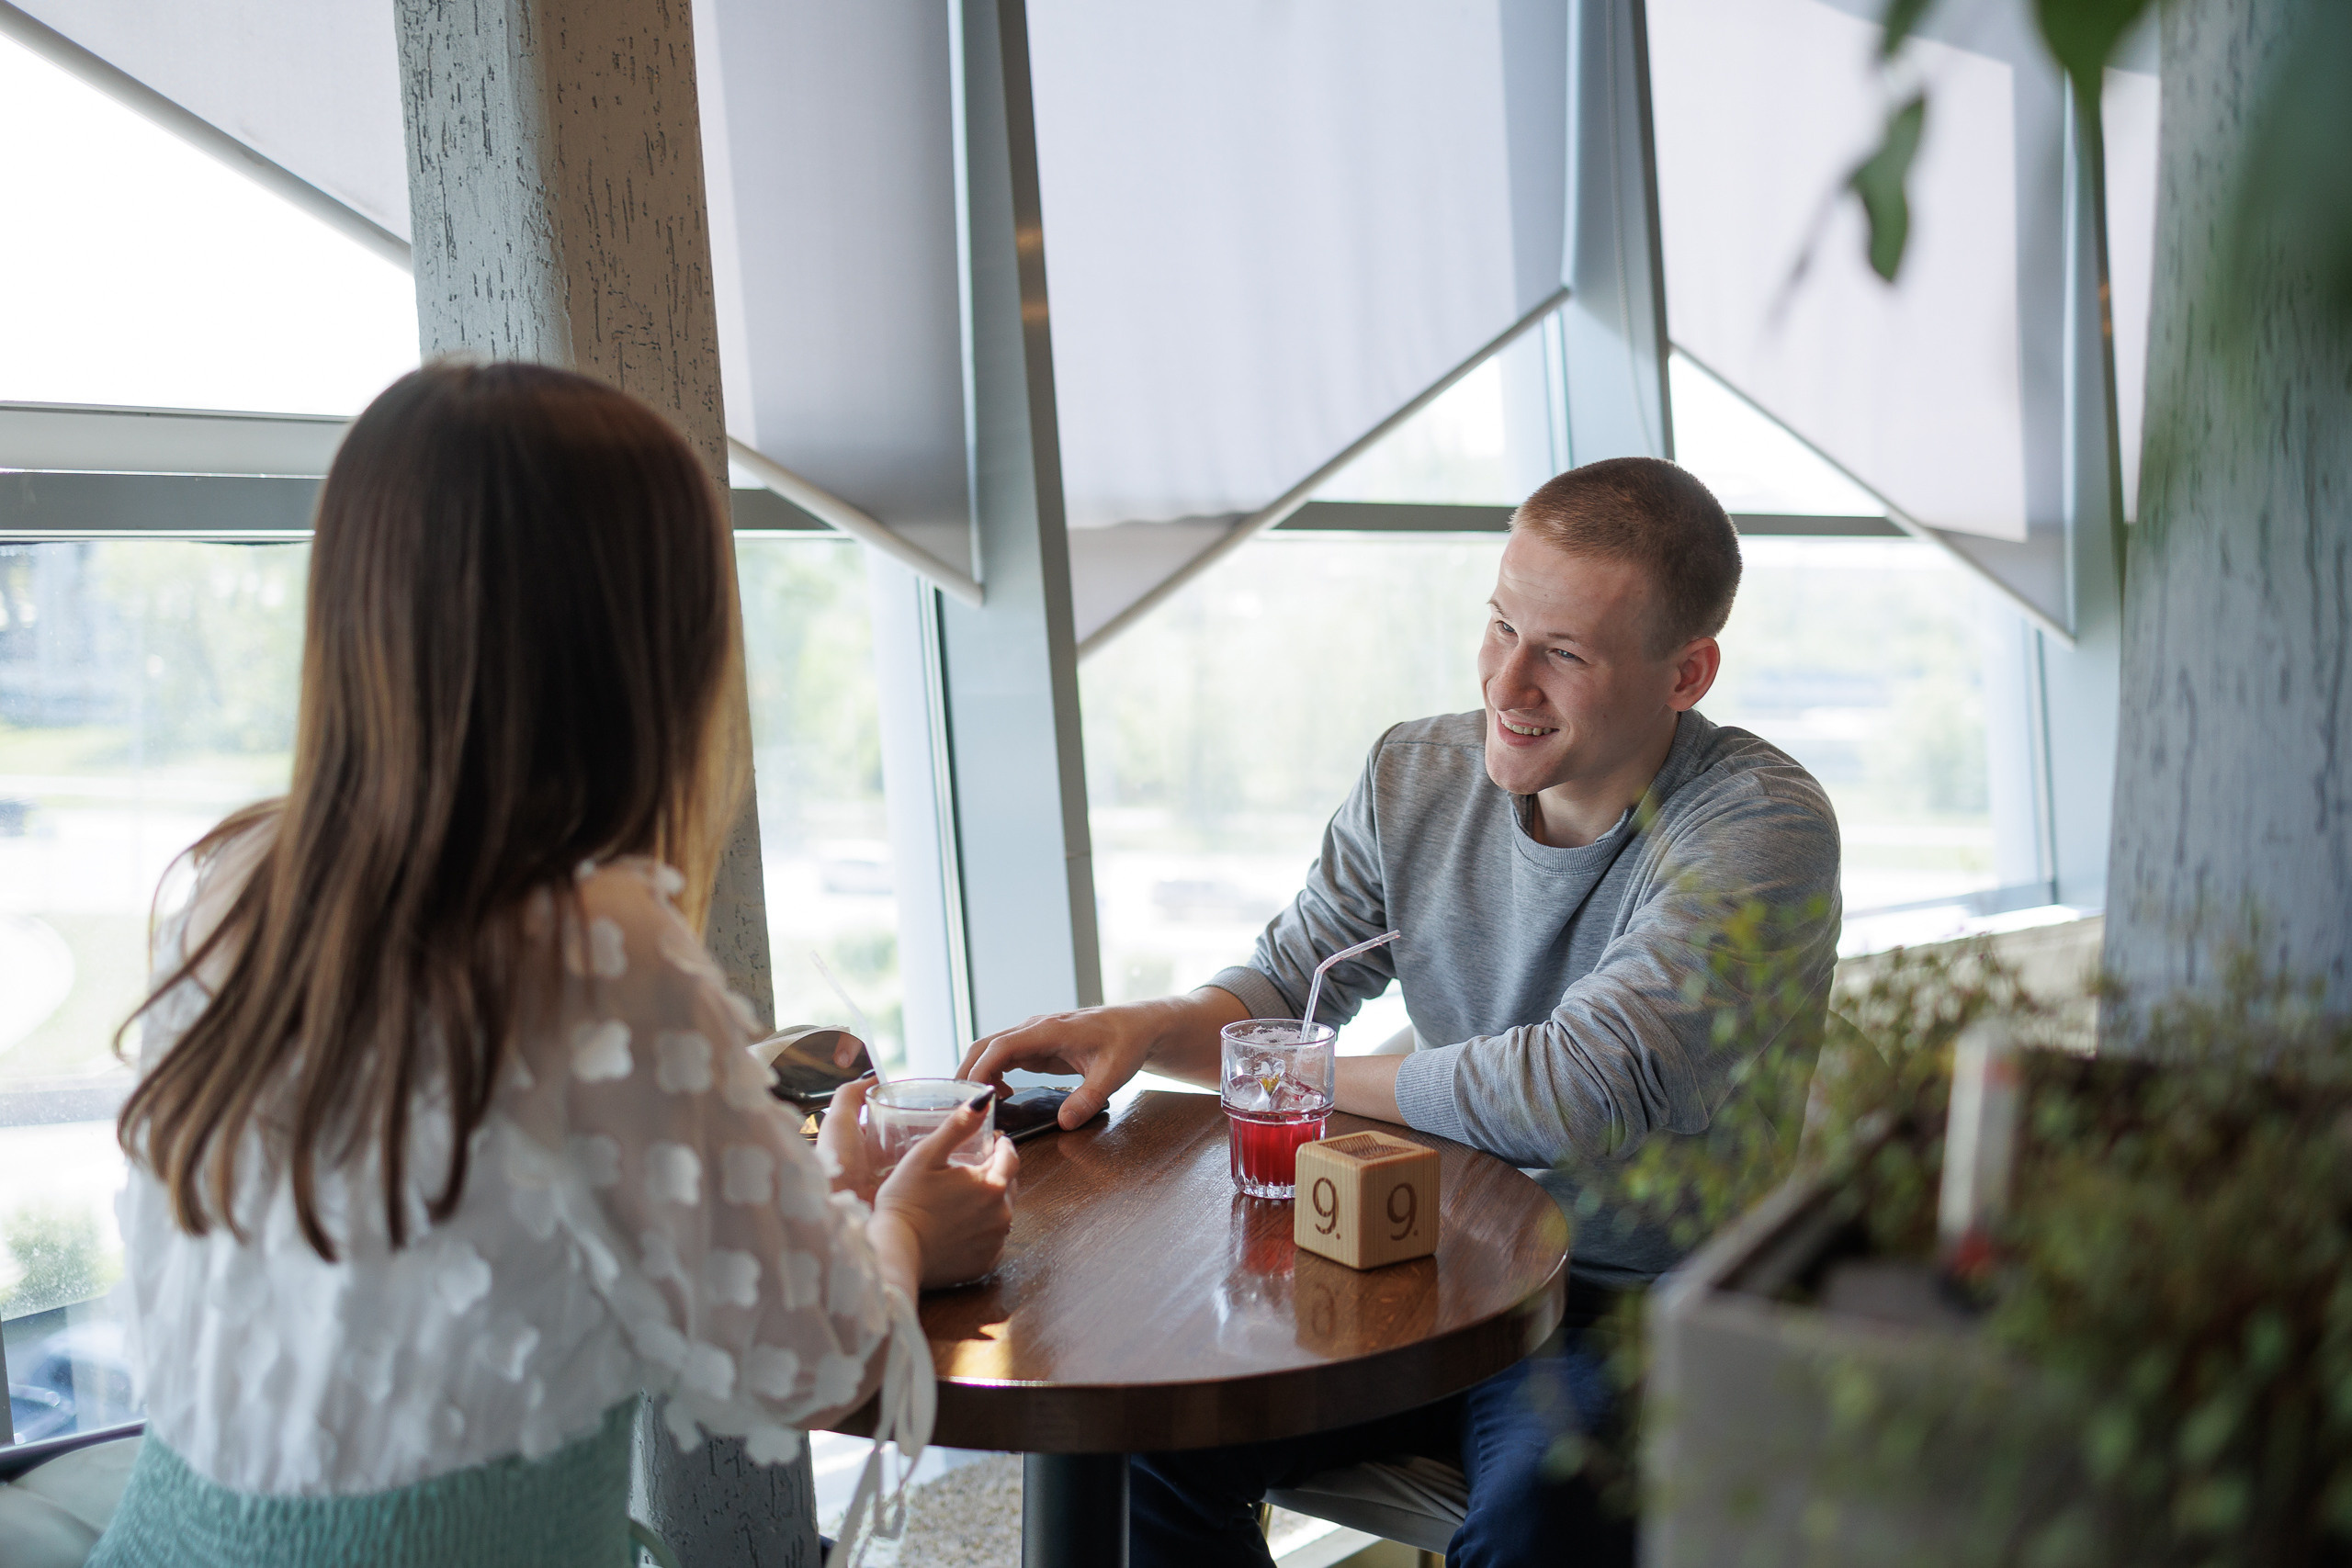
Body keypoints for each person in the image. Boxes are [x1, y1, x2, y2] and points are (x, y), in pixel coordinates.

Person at [90, 363, 1017, 1568]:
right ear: (638, 644)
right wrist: (902, 1227)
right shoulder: (586, 939)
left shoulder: (237, 879)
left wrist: (807, 1195)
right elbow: (817, 1354)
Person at [960, 457, 1843, 1568]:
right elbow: (1291, 985)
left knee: (1539, 1525)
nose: (1506, 684)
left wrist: (1301, 1075)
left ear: (1687, 673)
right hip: (1428, 1269)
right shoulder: (1415, 774)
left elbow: (1575, 1090)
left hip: (1631, 1306)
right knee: (1144, 1438)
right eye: (1498, 627)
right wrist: (1144, 1028)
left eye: (1562, 653)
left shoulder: (1758, 830)